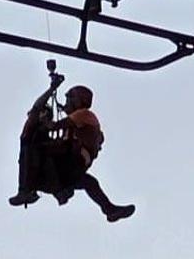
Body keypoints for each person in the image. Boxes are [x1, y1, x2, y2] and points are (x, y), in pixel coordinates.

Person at [10, 81, 136, 223]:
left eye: (69, 99)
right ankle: (108, 209)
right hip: (62, 173)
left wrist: (52, 93)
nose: (66, 103)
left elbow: (54, 125)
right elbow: (37, 112)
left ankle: (34, 191)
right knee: (88, 181)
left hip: (66, 169)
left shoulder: (83, 115)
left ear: (78, 101)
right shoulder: (36, 134)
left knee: (88, 181)